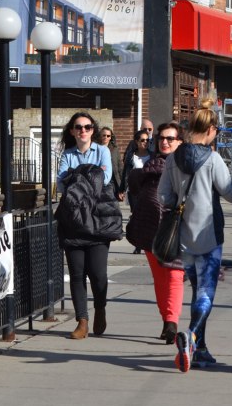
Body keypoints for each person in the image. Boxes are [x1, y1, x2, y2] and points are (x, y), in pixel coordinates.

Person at [158, 98, 232, 373]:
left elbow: (163, 196)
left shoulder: (173, 159)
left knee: (196, 291)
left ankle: (201, 350)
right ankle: (191, 336)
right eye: (216, 131)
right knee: (206, 293)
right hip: (209, 234)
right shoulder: (213, 159)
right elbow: (231, 194)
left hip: (183, 236)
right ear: (209, 130)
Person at [56, 112, 123, 340]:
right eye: (78, 127)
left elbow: (104, 181)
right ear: (72, 131)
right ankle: (82, 321)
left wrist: (76, 176)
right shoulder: (67, 154)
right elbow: (61, 184)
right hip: (73, 219)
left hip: (98, 219)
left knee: (98, 274)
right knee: (76, 273)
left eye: (87, 127)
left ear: (93, 130)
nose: (83, 130)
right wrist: (89, 174)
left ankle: (100, 309)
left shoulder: (102, 151)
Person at [126, 122, 184, 345]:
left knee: (174, 275)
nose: (165, 142)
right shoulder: (151, 166)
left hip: (177, 229)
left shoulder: (186, 166)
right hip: (150, 230)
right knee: (160, 279)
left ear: (180, 142)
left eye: (170, 138)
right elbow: (134, 185)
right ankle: (166, 321)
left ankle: (172, 321)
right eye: (162, 138)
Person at [120, 129, 154, 254]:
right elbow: (125, 173)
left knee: (148, 217)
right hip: (134, 190)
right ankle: (138, 244)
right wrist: (122, 189)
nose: (145, 143)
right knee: (137, 217)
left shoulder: (152, 155)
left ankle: (149, 243)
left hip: (148, 190)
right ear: (136, 142)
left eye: (147, 140)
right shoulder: (131, 156)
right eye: (142, 140)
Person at [98, 126, 122, 198]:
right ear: (100, 136)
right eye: (104, 135)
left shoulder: (115, 150)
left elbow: (120, 166)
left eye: (108, 136)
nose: (106, 137)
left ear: (110, 137)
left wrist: (122, 186)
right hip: (100, 180)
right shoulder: (96, 149)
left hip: (113, 181)